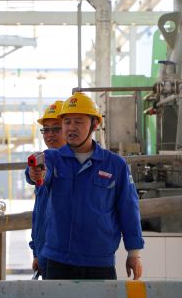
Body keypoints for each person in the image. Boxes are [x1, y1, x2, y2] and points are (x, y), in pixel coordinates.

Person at [27, 92, 144, 280]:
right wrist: (34, 173)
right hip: (58, 261)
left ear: (94, 124)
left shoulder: (115, 165)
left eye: (78, 122)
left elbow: (129, 209)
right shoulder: (52, 159)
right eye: (67, 122)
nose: (71, 128)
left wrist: (134, 253)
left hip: (99, 262)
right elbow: (39, 172)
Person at [27, 100, 66, 279]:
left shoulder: (74, 163)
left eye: (56, 129)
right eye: (46, 130)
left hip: (66, 258)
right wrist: (36, 252)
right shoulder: (43, 160)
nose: (50, 135)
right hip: (46, 255)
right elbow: (39, 215)